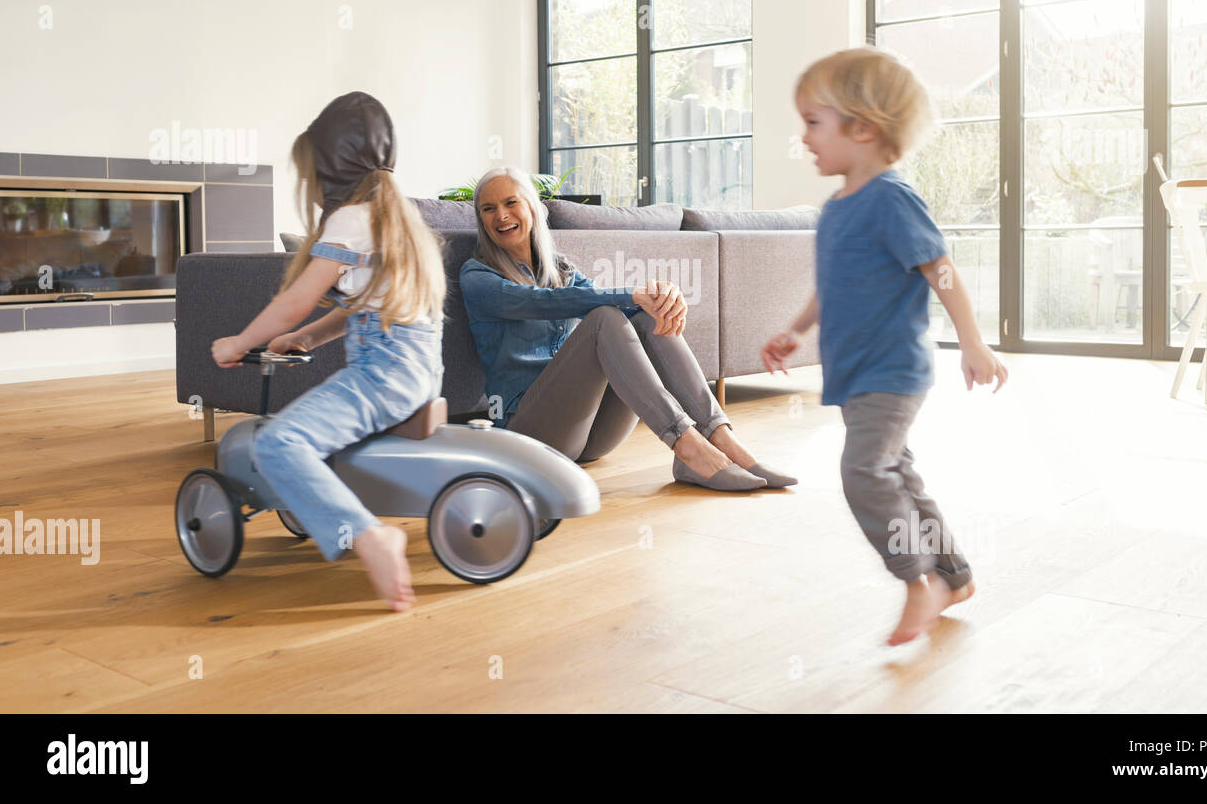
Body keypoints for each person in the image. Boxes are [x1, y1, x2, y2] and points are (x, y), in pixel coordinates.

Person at [762, 46, 1008, 646]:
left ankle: (917, 582)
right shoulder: (837, 209)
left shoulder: (892, 199)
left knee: (864, 471)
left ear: (863, 128)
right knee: (897, 471)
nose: (804, 137)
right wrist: (797, 328)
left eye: (814, 123)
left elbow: (941, 270)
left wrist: (973, 343)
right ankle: (954, 575)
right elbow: (834, 284)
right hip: (855, 372)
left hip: (893, 371)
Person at [211, 92, 446, 612]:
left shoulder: (351, 221)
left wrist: (238, 342)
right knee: (311, 425)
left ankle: (367, 535)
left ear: (332, 170)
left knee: (277, 444)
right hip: (418, 371)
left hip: (383, 373)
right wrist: (311, 338)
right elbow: (373, 305)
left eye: (312, 174)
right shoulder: (397, 219)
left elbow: (293, 301)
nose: (312, 189)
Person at [459, 165, 796, 492]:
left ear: (532, 206)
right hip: (531, 436)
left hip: (591, 436)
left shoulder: (561, 268)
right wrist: (635, 294)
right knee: (604, 318)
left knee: (644, 317)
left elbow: (601, 298)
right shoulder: (478, 277)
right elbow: (546, 301)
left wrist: (666, 297)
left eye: (510, 202)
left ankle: (721, 437)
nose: (500, 215)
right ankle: (687, 446)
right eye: (489, 209)